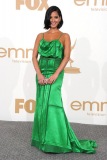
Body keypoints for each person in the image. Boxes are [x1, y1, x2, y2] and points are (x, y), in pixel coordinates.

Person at [31, 5, 97, 153]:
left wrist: (55, 75)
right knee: (42, 105)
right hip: (41, 72)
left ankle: (57, 141)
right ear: (47, 18)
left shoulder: (65, 36)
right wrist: (40, 75)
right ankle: (42, 139)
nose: (53, 20)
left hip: (56, 71)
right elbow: (34, 57)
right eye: (51, 17)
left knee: (54, 104)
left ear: (60, 18)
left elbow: (66, 57)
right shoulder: (40, 36)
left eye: (56, 17)